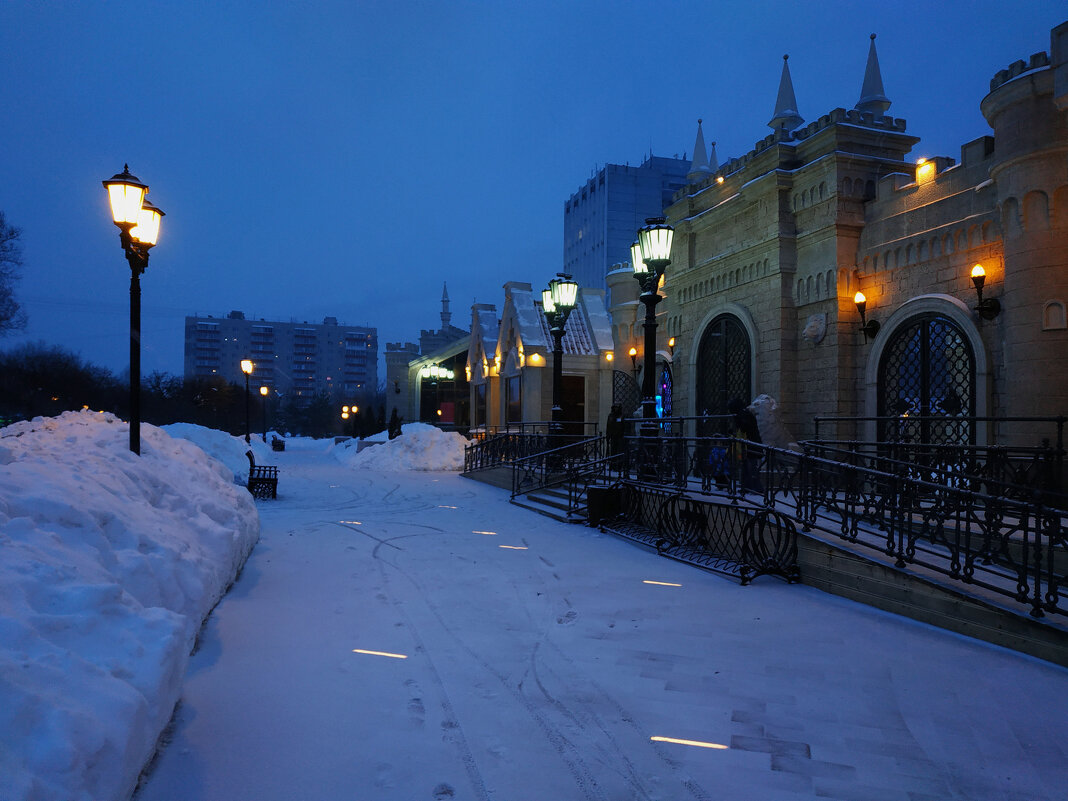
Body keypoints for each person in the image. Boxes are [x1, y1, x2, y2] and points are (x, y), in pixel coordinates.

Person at [728, 398, 763, 493]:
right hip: (748, 444)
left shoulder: (743, 414)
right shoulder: (743, 413)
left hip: (751, 443)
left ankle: (756, 488)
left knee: (751, 466)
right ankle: (747, 487)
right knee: (746, 466)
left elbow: (744, 427)